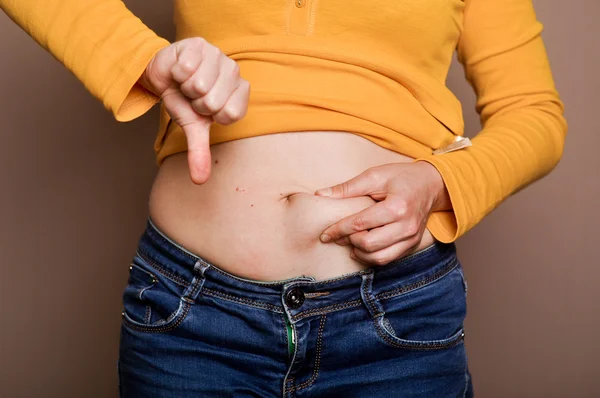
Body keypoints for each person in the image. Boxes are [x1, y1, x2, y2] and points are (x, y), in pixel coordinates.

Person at [1, 0, 566, 396]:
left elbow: (535, 114)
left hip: (394, 316)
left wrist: (442, 183)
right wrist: (143, 61)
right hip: (192, 318)